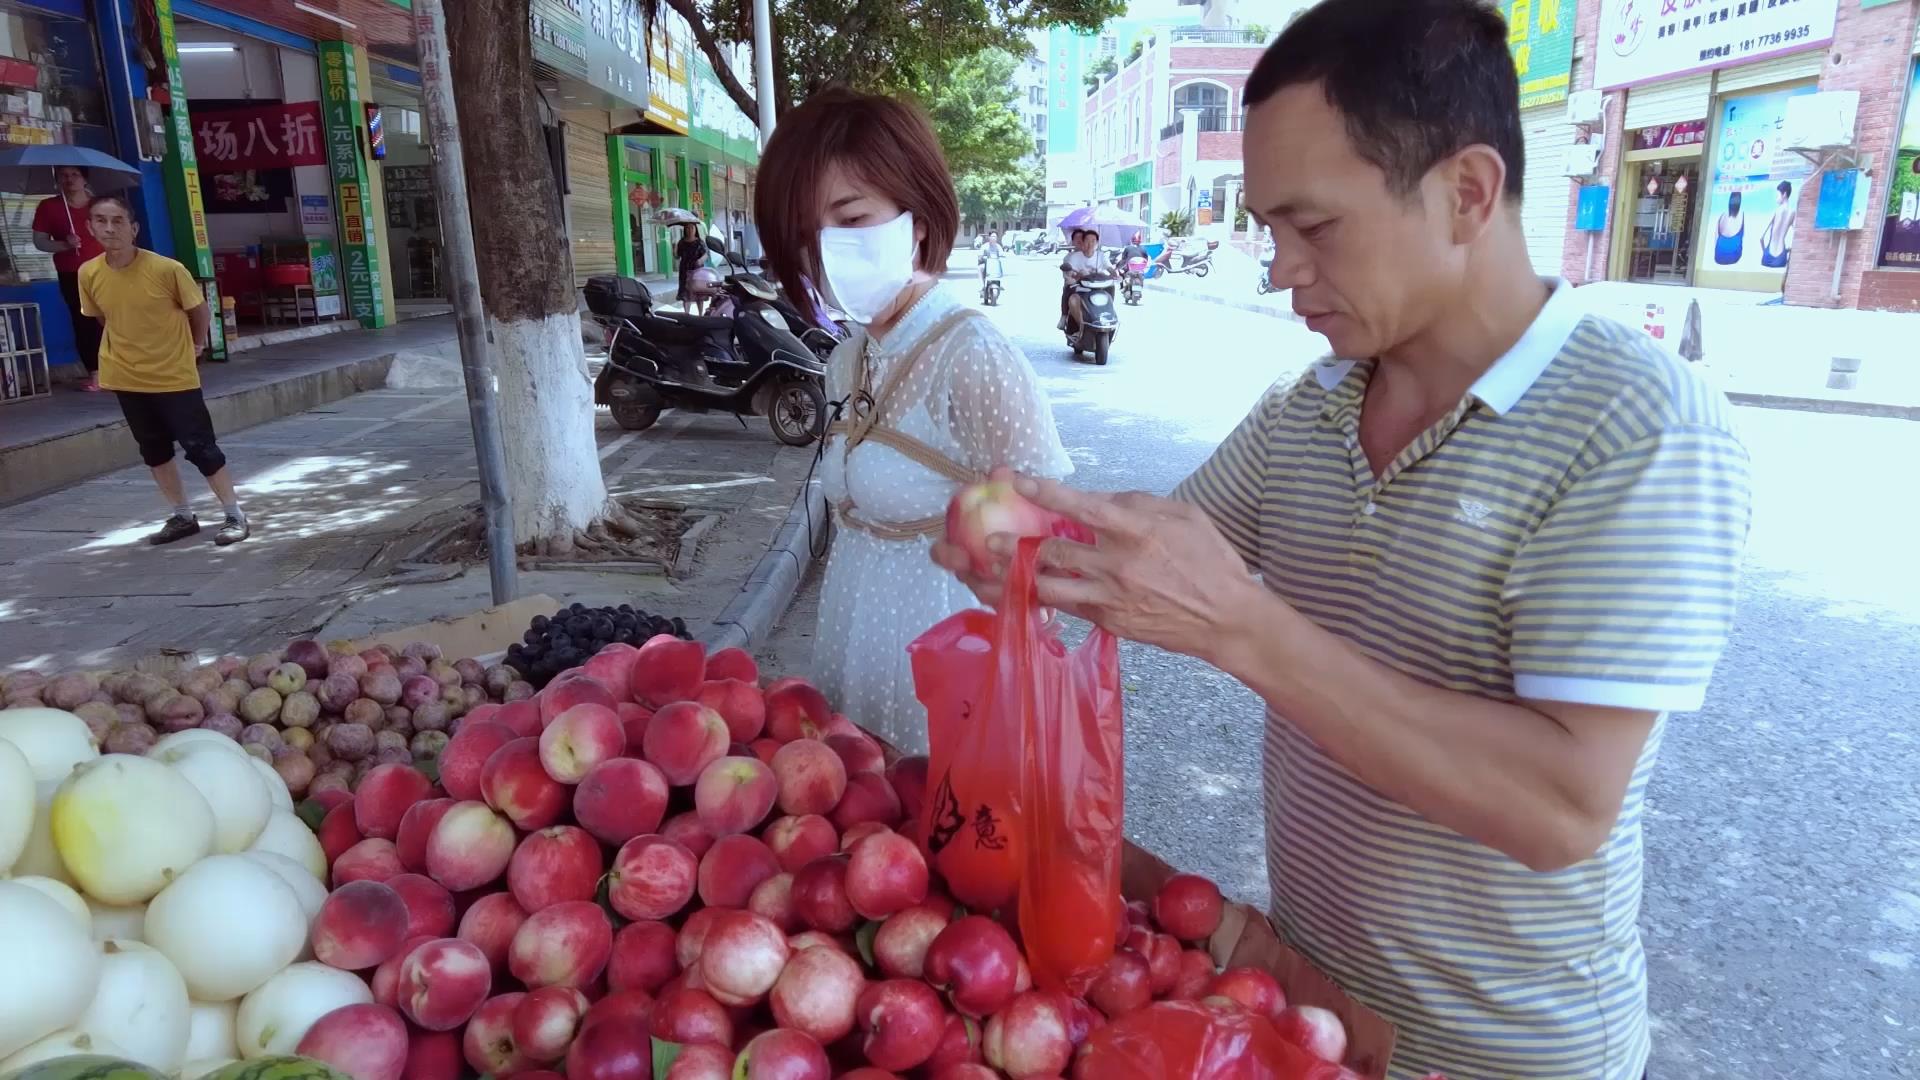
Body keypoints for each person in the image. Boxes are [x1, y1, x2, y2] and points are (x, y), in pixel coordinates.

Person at [933, 2, 1751, 1076]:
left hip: (1501, 1050)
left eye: (1314, 229)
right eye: (1269, 229)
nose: (1280, 271)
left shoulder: (1639, 428)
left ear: (1466, 193)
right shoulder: (1309, 408)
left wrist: (1246, 632)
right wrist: (1030, 547)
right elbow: (1161, 555)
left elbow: (1561, 807)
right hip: (1304, 991)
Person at [754, 87, 1071, 753]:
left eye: (851, 218)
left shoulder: (974, 358)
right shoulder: (848, 359)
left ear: (916, 219)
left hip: (946, 676)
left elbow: (1051, 546)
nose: (826, 250)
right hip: (853, 649)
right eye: (806, 233)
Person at [80, 194, 250, 546]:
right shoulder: (88, 273)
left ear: (134, 228)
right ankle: (182, 515)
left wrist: (196, 345)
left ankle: (234, 515)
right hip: (126, 376)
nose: (109, 228)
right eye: (100, 220)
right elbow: (101, 316)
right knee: (153, 449)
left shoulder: (166, 269)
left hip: (173, 374)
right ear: (90, 226)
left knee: (200, 447)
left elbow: (199, 310)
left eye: (117, 220)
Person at [32, 165, 104, 390]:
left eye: (75, 175)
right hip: (72, 272)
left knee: (113, 319)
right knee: (84, 322)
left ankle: (125, 370)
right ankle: (96, 374)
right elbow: (39, 241)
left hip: (105, 270)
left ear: (85, 179)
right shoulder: (49, 207)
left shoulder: (100, 206)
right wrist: (64, 244)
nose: (69, 179)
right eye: (63, 176)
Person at [1058, 228, 1104, 331]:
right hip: (1075, 285)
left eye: (1081, 238)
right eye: (1076, 239)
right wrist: (1074, 276)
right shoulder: (1070, 257)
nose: (1079, 241)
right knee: (1067, 289)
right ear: (1072, 241)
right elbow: (1067, 274)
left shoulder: (1097, 255)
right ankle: (1064, 315)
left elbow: (1106, 268)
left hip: (1092, 285)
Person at [1761, 179, 1795, 268]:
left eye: (1777, 195)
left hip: (1769, 255)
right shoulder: (1792, 213)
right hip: (1781, 257)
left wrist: (1764, 252)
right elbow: (1796, 235)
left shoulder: (1777, 211)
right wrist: (1788, 250)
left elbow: (1761, 237)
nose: (1776, 198)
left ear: (1784, 194)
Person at [674, 224, 707, 306]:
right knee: (685, 293)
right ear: (685, 230)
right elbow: (677, 256)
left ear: (695, 229)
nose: (690, 230)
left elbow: (706, 255)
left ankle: (700, 315)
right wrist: (674, 249)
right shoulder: (681, 242)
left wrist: (700, 260)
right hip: (685, 270)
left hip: (697, 270)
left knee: (699, 292)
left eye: (692, 227)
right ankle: (686, 314)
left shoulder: (700, 242)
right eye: (687, 228)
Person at [1714, 189, 1745, 265]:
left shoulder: (1722, 215)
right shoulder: (1741, 214)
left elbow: (1715, 237)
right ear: (1739, 202)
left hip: (1718, 256)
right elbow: (1743, 236)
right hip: (1734, 257)